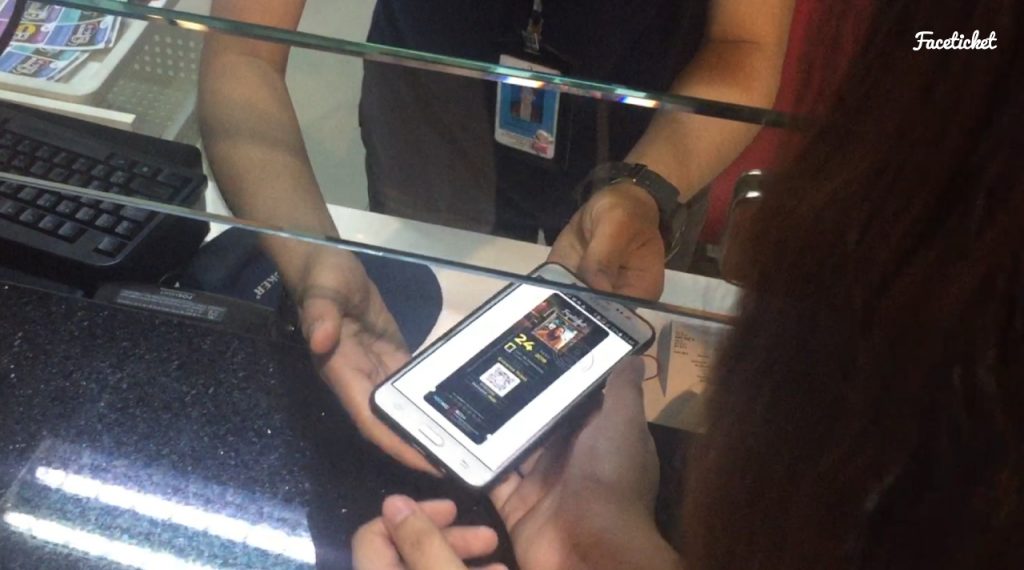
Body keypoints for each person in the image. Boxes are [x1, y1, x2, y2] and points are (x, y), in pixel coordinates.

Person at [350, 0, 1024, 568]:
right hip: (438, 107)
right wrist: (611, 536)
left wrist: (643, 187)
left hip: (638, 119)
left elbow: (751, 45)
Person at [198, 0, 793, 470]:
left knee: (613, 362)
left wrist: (647, 187)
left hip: (654, 121)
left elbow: (744, 44)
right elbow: (242, 54)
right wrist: (313, 263)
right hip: (430, 98)